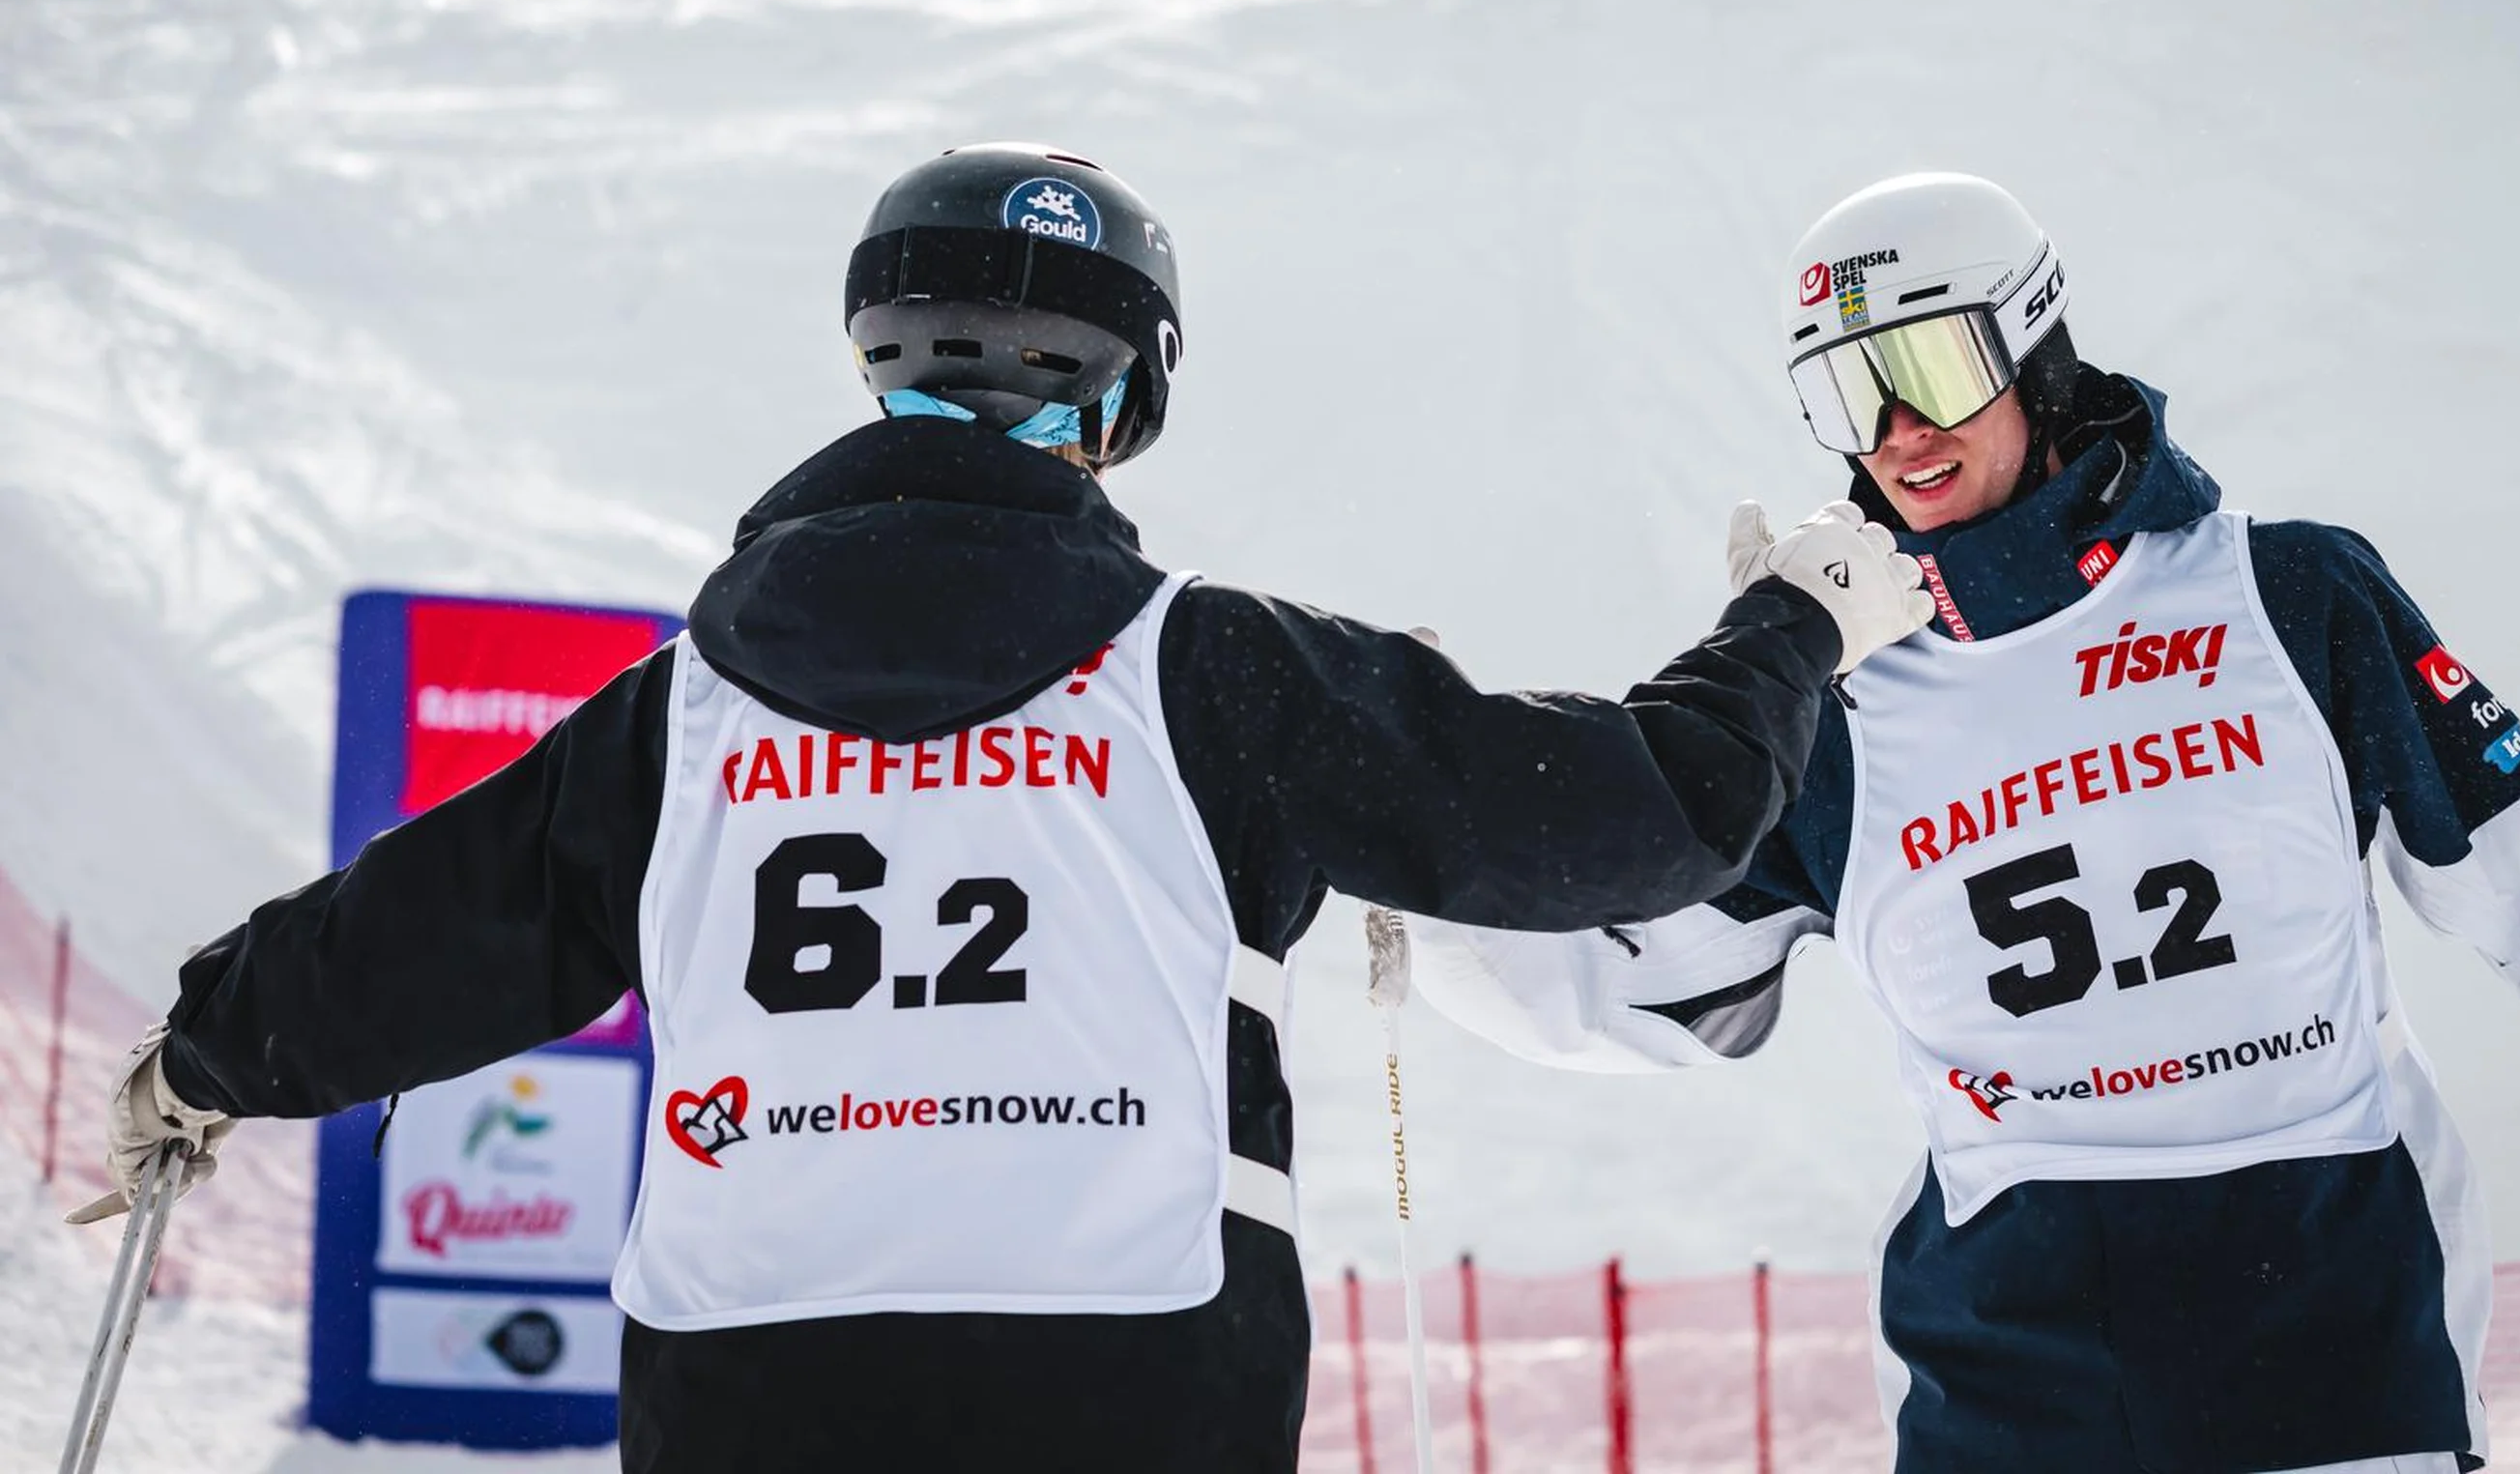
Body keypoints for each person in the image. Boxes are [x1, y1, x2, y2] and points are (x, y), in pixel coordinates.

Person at [75, 143, 1937, 1472]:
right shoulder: (1212, 672)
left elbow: (432, 933)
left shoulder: (689, 712)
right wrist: (1793, 627)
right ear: (1122, 407)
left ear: (876, 364)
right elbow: (1629, 822)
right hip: (1125, 1374)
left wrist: (208, 1056)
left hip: (753, 1387)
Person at [1411, 172, 2520, 1474]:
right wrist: (1403, 857)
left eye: (1933, 367)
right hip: (2012, 1381)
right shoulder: (1834, 713)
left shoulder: (2292, 596)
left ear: (2037, 350)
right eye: (1848, 387)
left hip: (2331, 1341)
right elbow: (1627, 983)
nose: (1898, 429)